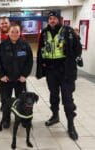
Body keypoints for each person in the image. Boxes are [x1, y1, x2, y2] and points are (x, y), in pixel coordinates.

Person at [36, 11, 82, 140]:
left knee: (67, 98)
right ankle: (55, 116)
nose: (52, 20)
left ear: (59, 19)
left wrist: (77, 39)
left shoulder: (68, 31)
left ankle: (71, 126)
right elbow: (40, 50)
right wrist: (41, 67)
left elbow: (77, 49)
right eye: (50, 18)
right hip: (51, 71)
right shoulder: (44, 33)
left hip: (66, 71)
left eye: (54, 18)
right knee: (53, 95)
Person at [0, 24, 33, 128]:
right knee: (5, 101)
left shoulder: (25, 45)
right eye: (12, 32)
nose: (14, 34)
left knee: (21, 101)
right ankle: (6, 119)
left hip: (20, 80)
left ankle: (21, 118)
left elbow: (29, 62)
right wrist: (1, 75)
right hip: (5, 80)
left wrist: (25, 75)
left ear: (20, 32)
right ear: (8, 33)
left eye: (17, 31)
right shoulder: (2, 46)